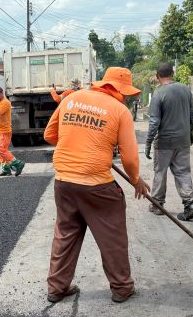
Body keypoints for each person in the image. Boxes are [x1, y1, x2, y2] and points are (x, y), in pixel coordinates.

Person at [43, 66, 150, 304]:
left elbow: (50, 135)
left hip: (64, 182)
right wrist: (136, 180)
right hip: (97, 187)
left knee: (65, 234)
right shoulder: (120, 111)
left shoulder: (72, 99)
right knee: (112, 236)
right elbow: (130, 157)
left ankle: (56, 288)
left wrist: (78, 141)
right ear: (120, 89)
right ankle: (122, 287)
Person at [144, 62, 193, 221]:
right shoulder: (185, 90)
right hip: (182, 141)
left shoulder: (158, 94)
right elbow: (192, 116)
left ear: (157, 76)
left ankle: (157, 204)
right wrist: (189, 134)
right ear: (172, 73)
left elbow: (154, 122)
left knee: (160, 172)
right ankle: (190, 204)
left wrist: (148, 143)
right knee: (183, 172)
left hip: (164, 143)